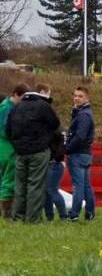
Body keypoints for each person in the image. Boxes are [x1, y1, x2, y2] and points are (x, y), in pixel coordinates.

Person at [6, 83, 60, 222]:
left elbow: (8, 130)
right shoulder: (43, 106)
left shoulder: (17, 107)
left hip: (20, 152)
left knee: (20, 185)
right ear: (42, 94)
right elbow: (55, 124)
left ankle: (17, 217)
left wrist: (17, 145)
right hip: (39, 151)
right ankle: (32, 218)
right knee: (35, 185)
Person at [65, 86, 96, 221]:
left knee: (78, 185)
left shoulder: (83, 115)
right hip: (86, 154)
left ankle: (74, 214)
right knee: (86, 185)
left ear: (87, 98)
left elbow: (80, 136)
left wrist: (68, 149)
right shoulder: (83, 113)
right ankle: (89, 212)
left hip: (78, 153)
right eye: (75, 95)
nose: (76, 98)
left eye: (80, 96)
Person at [0, 84, 26, 219]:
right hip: (7, 149)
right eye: (22, 98)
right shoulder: (7, 108)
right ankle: (6, 213)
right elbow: (5, 130)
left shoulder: (6, 106)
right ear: (15, 94)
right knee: (8, 180)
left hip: (4, 148)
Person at [44, 128, 67, 221]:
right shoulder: (61, 130)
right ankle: (51, 217)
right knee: (47, 191)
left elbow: (61, 148)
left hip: (53, 163)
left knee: (51, 191)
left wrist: (55, 159)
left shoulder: (53, 130)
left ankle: (63, 217)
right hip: (55, 163)